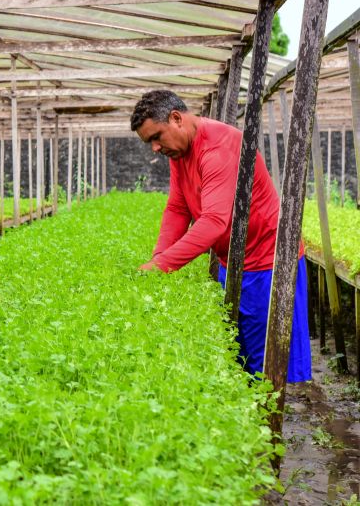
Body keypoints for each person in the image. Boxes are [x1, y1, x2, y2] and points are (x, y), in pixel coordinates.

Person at [130, 90, 311, 382]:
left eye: (156, 137)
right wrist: (158, 258)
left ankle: (265, 423)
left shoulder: (219, 147)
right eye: (148, 141)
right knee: (238, 352)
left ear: (176, 119)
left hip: (266, 263)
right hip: (234, 260)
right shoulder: (180, 151)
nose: (154, 148)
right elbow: (178, 207)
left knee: (264, 363)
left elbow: (213, 221)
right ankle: (251, 414)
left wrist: (162, 266)